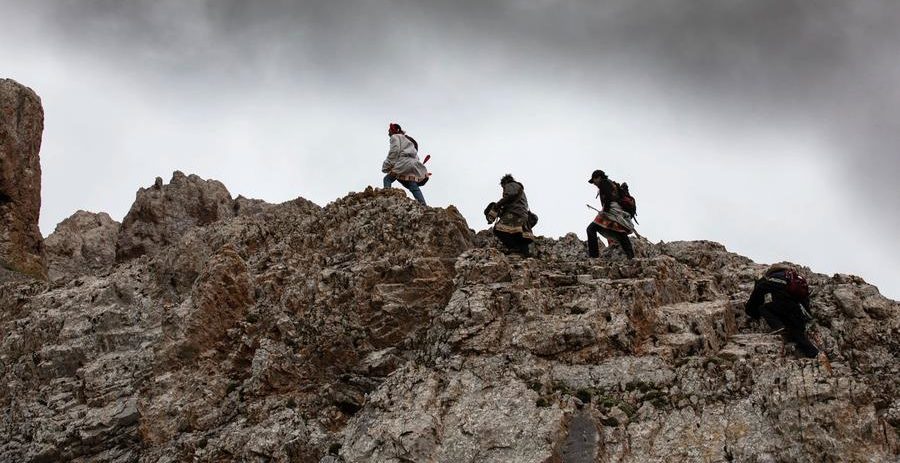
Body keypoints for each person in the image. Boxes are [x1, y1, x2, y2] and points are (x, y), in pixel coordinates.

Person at [745, 264, 820, 358]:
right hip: (798, 312)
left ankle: (778, 326)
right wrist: (807, 315)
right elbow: (804, 299)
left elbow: (759, 290)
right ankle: (815, 354)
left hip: (786, 307)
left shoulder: (775, 277)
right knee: (798, 335)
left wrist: (751, 311)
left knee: (764, 308)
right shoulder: (794, 279)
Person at [586, 169, 635, 259]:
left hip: (611, 210)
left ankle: (594, 255)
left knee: (591, 229)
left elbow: (608, 197)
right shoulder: (610, 183)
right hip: (615, 211)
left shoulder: (604, 183)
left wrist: (605, 211)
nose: (594, 183)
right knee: (620, 231)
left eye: (594, 180)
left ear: (599, 177)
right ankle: (630, 255)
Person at [485, 174, 534, 256]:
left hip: (515, 213)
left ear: (504, 182)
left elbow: (510, 196)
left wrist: (498, 205)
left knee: (498, 229)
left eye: (502, 187)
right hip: (523, 214)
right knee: (519, 234)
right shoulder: (520, 189)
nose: (503, 189)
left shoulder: (510, 185)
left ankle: (514, 248)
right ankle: (525, 253)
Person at [381, 123, 428, 205]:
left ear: (393, 131)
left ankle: (387, 197)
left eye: (389, 131)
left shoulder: (395, 137)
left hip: (403, 162)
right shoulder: (407, 140)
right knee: (412, 184)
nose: (388, 133)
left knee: (387, 179)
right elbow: (415, 154)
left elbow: (394, 151)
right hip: (413, 163)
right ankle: (423, 205)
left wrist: (386, 166)